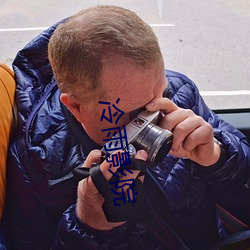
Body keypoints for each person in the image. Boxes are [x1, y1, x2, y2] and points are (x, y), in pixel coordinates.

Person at [3, 5, 250, 250]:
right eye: (138, 114)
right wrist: (87, 225)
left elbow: (243, 180)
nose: (158, 115)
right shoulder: (36, 160)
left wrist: (217, 156)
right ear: (76, 107)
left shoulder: (178, 92)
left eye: (161, 93)